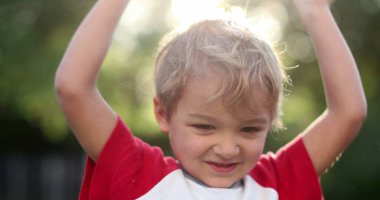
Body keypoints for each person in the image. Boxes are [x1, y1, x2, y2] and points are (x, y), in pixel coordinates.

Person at [55, 0, 367, 199]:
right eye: (205, 127)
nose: (228, 148)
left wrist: (315, 10)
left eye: (249, 130)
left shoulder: (278, 183)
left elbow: (348, 112)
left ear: (270, 121)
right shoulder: (138, 175)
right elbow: (73, 88)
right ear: (162, 113)